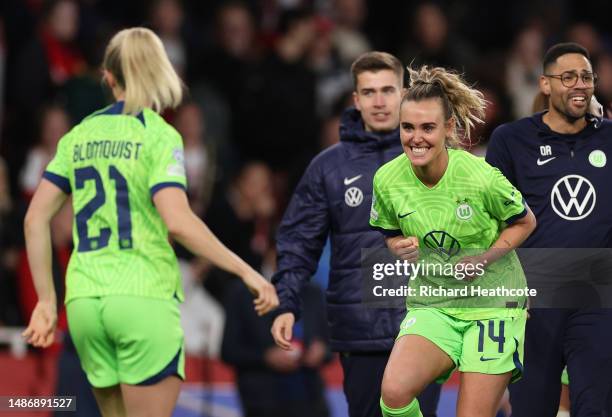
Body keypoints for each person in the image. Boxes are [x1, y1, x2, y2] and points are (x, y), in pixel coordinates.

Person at [21, 27, 278, 417]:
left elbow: (35, 217)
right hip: (142, 299)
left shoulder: (79, 134)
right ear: (162, 70)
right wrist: (247, 271)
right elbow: (177, 221)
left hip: (85, 304)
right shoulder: (159, 137)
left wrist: (46, 299)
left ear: (108, 77)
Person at [271, 51, 442, 417]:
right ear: (356, 99)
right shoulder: (328, 167)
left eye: (387, 90)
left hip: (428, 325)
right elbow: (298, 243)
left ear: (404, 93)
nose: (379, 102)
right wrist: (287, 303)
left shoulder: (438, 157)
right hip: (360, 332)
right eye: (368, 92)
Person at [370, 65, 537, 417]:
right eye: (408, 127)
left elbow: (525, 222)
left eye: (428, 127)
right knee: (394, 393)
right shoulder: (386, 180)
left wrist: (487, 257)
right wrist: (396, 246)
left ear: (448, 128)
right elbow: (390, 234)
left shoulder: (480, 176)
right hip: (434, 304)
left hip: (493, 306)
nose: (416, 138)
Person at [486, 42, 612, 417]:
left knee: (596, 407)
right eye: (568, 76)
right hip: (533, 300)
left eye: (587, 77)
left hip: (598, 296)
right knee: (532, 409)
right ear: (544, 83)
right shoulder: (511, 140)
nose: (579, 85)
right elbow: (493, 220)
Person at [222, 280, 331, 417]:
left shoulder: (314, 291)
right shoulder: (243, 292)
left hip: (311, 400)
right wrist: (265, 357)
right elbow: (229, 351)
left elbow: (328, 345)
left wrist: (321, 351)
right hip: (263, 402)